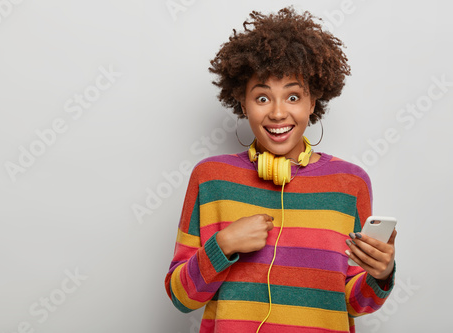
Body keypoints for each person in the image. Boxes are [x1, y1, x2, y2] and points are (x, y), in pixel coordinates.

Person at [165, 6, 397, 333]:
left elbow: (354, 304)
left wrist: (381, 274)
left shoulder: (350, 184)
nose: (277, 113)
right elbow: (181, 296)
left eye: (292, 96)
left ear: (312, 102)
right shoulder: (211, 178)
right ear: (242, 102)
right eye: (262, 98)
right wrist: (225, 244)